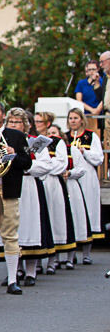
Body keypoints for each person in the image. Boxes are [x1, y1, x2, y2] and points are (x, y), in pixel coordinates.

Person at [0, 100, 31, 295]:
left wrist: (14, 154)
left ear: (3, 115)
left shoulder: (16, 136)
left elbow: (27, 162)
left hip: (8, 190)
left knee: (10, 235)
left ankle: (12, 279)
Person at [7, 108, 54, 284]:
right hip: (10, 186)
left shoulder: (33, 143)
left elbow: (46, 165)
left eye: (17, 122)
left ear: (25, 125)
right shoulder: (3, 142)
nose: (13, 125)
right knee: (13, 228)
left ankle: (31, 271)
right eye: (10, 122)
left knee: (30, 226)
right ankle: (15, 271)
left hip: (28, 186)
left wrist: (26, 167)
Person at [33, 112, 72, 274]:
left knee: (55, 219)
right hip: (38, 182)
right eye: (35, 122)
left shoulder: (57, 142)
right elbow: (31, 161)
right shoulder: (35, 142)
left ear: (47, 123)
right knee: (39, 220)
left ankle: (52, 260)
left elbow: (61, 164)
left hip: (52, 183)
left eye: (40, 121)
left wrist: (46, 167)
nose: (37, 124)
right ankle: (36, 261)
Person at [66, 108, 104, 262]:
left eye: (75, 118)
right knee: (73, 211)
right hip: (71, 177)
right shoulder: (66, 137)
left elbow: (99, 158)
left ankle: (87, 253)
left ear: (81, 119)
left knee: (89, 210)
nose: (73, 121)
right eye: (70, 118)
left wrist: (85, 153)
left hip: (88, 177)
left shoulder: (90, 136)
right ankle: (72, 253)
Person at [74, 60, 104, 130]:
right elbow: (79, 100)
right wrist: (92, 110)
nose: (91, 71)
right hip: (86, 115)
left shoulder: (103, 81)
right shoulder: (81, 83)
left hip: (101, 115)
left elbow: (105, 98)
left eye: (93, 69)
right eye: (89, 69)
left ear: (98, 69)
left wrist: (97, 110)